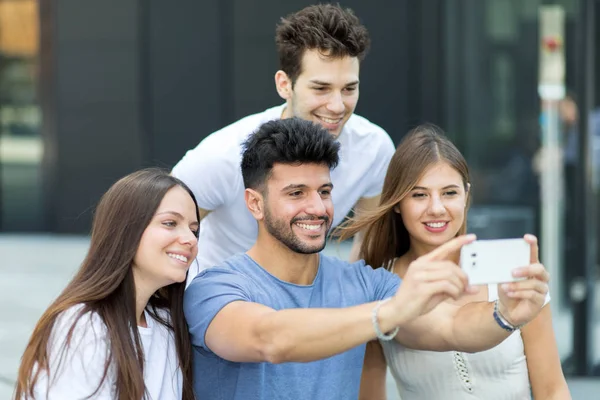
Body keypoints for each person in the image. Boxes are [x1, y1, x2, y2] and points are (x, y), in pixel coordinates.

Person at [183, 118, 550, 399]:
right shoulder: (214, 286)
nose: (316, 207)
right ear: (254, 203)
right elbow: (270, 340)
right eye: (296, 192)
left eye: (324, 191)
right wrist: (386, 313)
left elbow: (451, 328)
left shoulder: (364, 284)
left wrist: (504, 314)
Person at [338, 124, 570, 400]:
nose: (436, 208)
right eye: (419, 194)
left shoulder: (512, 272)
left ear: (466, 195)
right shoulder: (378, 284)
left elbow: (552, 390)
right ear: (397, 202)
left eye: (449, 193)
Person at [172, 4, 394, 283]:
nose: (338, 106)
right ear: (284, 84)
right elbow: (155, 231)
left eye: (349, 88)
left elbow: (372, 240)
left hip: (304, 301)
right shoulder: (222, 155)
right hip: (221, 305)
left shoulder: (374, 149)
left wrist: (349, 297)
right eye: (321, 88)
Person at [14, 169, 199, 400]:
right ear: (125, 230)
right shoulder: (84, 325)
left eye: (194, 230)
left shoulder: (167, 324)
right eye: (170, 223)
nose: (190, 239)